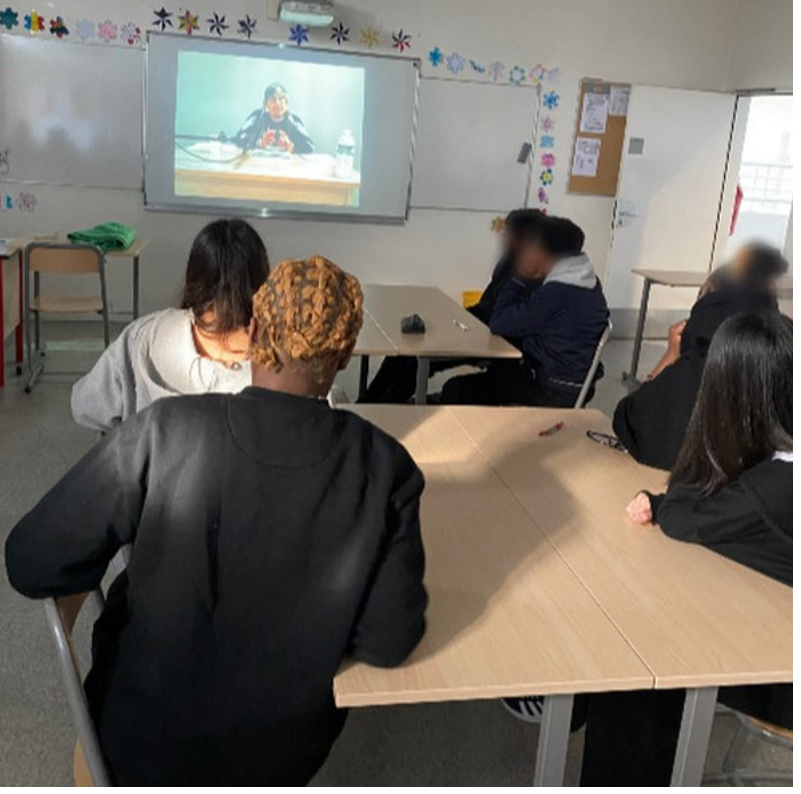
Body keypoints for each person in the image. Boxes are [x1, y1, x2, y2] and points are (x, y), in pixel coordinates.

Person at [6, 256, 428, 788]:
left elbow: (28, 560)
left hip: (137, 748)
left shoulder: (163, 431)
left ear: (252, 331)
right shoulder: (386, 467)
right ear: (344, 357)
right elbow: (390, 640)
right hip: (281, 760)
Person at [582, 311, 793, 788]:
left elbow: (681, 516)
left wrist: (665, 496)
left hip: (784, 671)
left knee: (640, 667)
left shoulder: (771, 489)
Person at [71, 219, 269, 432]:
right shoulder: (279, 374)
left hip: (145, 463)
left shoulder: (142, 336)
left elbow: (85, 406)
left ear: (192, 279)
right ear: (263, 288)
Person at [613, 244, 787, 470]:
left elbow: (630, 421)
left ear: (708, 306)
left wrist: (671, 356)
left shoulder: (695, 371)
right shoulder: (781, 364)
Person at [359, 208, 546, 404]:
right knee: (401, 354)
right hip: (475, 326)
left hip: (495, 340)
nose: (505, 237)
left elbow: (503, 318)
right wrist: (459, 317)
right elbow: (487, 302)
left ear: (524, 238)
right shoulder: (509, 260)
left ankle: (384, 413)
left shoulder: (533, 273)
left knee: (416, 362)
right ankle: (365, 405)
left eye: (510, 234)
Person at [441, 216, 609, 407]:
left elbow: (500, 322)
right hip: (573, 382)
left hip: (551, 388)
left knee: (456, 389)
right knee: (498, 370)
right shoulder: (586, 282)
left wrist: (519, 277)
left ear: (546, 253)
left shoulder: (557, 292)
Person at [232, 83, 315, 154]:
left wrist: (292, 147)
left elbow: (309, 147)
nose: (278, 103)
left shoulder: (294, 121)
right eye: (273, 99)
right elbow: (238, 140)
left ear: (286, 103)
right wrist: (259, 143)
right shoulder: (257, 117)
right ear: (265, 104)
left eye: (281, 99)